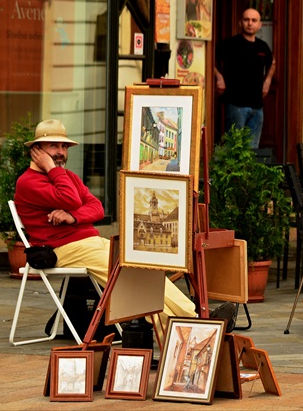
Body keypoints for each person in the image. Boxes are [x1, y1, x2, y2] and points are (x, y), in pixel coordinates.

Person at [14, 120, 236, 332]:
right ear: (37, 150)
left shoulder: (65, 176)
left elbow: (97, 208)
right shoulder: (30, 181)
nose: (61, 151)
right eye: (53, 145)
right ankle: (194, 324)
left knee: (142, 266)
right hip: (62, 248)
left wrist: (73, 217)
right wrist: (54, 171)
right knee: (126, 279)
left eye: (64, 146)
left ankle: (195, 320)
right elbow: (71, 199)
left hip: (89, 242)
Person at [215, 8, 276, 148]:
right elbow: (209, 58)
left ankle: (248, 171)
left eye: (254, 20)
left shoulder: (262, 46)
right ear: (240, 23)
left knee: (252, 150)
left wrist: (267, 81)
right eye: (246, 20)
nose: (250, 23)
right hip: (236, 105)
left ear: (259, 24)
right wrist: (219, 77)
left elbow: (272, 62)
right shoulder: (230, 44)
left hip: (257, 107)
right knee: (233, 147)